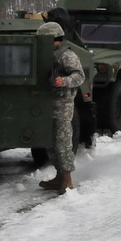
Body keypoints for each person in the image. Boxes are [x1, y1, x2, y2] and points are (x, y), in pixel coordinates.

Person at [36, 21, 85, 194]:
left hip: (63, 105)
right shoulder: (42, 54)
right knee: (50, 143)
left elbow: (80, 76)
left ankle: (67, 179)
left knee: (63, 142)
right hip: (46, 104)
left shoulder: (66, 55)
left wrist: (63, 81)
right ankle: (59, 177)